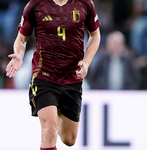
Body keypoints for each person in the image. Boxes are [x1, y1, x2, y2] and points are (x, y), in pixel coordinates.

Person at [6, 0, 101, 149]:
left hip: (72, 77)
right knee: (49, 131)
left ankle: (55, 110)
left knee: (69, 139)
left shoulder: (85, 4)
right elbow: (22, 38)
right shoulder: (35, 5)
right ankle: (50, 113)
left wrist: (86, 61)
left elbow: (95, 35)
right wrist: (19, 54)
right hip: (44, 75)